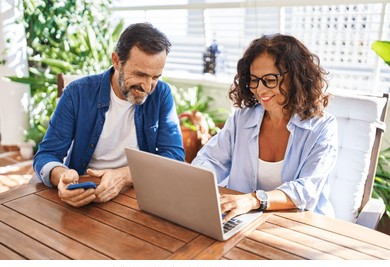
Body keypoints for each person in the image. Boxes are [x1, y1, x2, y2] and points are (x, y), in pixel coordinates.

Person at [33, 22, 184, 207]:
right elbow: (47, 154)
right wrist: (61, 176)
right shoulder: (77, 93)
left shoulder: (161, 94)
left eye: (155, 77)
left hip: (137, 195)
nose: (147, 86)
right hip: (86, 194)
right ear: (116, 61)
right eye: (140, 74)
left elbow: (175, 156)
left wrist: (123, 176)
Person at [192, 34, 338, 223]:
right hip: (242, 221)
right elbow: (210, 159)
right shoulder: (242, 119)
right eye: (254, 80)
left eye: (269, 80)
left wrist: (253, 200)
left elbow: (306, 191)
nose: (260, 90)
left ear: (296, 77)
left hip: (301, 226)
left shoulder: (323, 127)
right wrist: (198, 181)